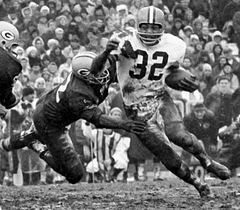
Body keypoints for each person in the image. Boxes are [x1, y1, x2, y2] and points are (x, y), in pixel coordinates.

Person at [92, 6, 230, 197]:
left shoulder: (175, 44)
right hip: (135, 108)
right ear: (138, 26)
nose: (149, 32)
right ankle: (198, 184)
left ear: (163, 27)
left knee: (181, 137)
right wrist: (109, 50)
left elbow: (171, 72)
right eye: (145, 27)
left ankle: (207, 161)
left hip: (160, 97)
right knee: (168, 155)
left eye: (154, 27)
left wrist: (179, 78)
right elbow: (96, 69)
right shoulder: (123, 39)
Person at [0, 46, 145, 184]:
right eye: (98, 71)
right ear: (85, 76)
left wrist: (126, 53)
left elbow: (116, 60)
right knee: (75, 175)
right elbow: (99, 120)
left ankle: (25, 137)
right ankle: (36, 145)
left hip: (53, 109)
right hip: (50, 123)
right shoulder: (78, 94)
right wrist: (124, 124)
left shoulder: (93, 71)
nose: (104, 73)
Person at [0, 21, 22, 109]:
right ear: (4, 42)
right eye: (13, 46)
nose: (13, 50)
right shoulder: (12, 64)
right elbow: (7, 99)